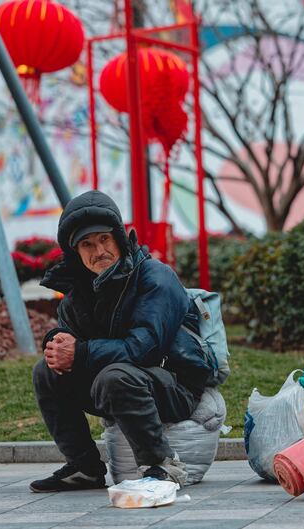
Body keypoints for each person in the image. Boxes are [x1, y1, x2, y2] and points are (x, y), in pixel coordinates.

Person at [29, 190, 212, 493]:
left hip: (175, 385)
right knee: (45, 372)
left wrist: (81, 352)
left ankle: (161, 465)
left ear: (119, 239)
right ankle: (84, 467)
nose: (98, 250)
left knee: (115, 376)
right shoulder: (79, 291)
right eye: (87, 244)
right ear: (76, 252)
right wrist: (56, 346)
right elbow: (70, 338)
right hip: (116, 384)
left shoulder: (155, 277)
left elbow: (145, 348)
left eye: (104, 239)